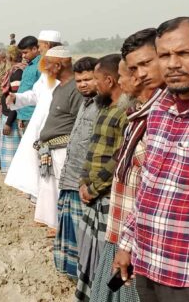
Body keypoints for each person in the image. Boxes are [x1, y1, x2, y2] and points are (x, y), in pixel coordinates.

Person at [114, 18, 189, 302]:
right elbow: (148, 187)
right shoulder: (161, 109)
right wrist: (127, 244)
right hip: (149, 269)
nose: (172, 64)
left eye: (184, 53)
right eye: (164, 55)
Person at [90, 29, 164, 302]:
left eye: (145, 64)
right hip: (123, 230)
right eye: (131, 69)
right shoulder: (137, 116)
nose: (128, 78)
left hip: (139, 242)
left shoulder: (159, 119)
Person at [75, 54, 128, 302]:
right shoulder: (103, 107)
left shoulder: (124, 113)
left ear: (109, 80)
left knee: (107, 258)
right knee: (90, 253)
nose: (93, 85)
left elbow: (118, 158)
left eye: (95, 79)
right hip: (92, 193)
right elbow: (94, 150)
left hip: (107, 196)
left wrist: (94, 187)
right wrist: (84, 182)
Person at [54, 56, 99, 279]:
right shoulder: (85, 103)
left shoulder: (103, 107)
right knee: (72, 231)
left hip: (86, 183)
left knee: (86, 238)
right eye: (79, 80)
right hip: (71, 178)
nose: (82, 84)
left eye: (88, 79)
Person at [33, 46, 83, 235]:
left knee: (62, 188)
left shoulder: (75, 89)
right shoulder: (59, 88)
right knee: (49, 187)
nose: (46, 70)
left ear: (59, 65)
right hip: (51, 148)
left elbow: (78, 123)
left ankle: (61, 227)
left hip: (64, 149)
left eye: (48, 66)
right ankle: (52, 223)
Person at [5, 31, 61, 198]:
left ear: (48, 46)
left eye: (42, 45)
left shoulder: (58, 69)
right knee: (36, 160)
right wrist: (17, 98)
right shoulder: (46, 68)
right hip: (38, 119)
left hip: (53, 123)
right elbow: (36, 94)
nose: (41, 48)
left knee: (50, 166)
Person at [0, 49, 26, 173]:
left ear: (10, 59)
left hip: (11, 116)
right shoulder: (13, 71)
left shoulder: (17, 72)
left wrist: (8, 121)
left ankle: (12, 174)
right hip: (8, 114)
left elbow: (15, 98)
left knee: (12, 149)